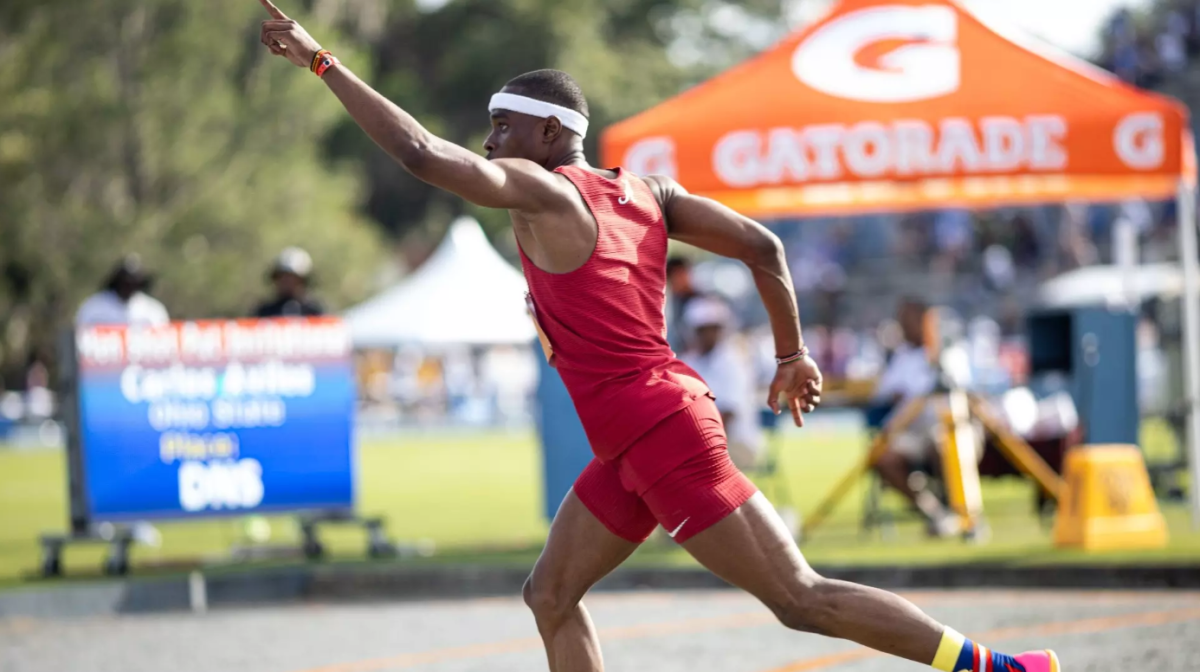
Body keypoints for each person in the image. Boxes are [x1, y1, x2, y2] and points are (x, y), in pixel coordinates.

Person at [255, 4, 1060, 671]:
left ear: (545, 135)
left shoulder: (543, 192)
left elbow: (422, 152)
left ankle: (996, 667)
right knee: (550, 594)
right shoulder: (648, 191)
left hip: (661, 431)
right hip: (630, 444)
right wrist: (791, 353)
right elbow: (763, 249)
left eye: (503, 127)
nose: (491, 142)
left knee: (799, 598)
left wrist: (322, 62)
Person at [869, 297, 961, 537]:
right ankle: (932, 511)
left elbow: (954, 391)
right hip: (909, 430)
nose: (903, 325)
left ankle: (958, 510)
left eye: (907, 319)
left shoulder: (949, 352)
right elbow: (885, 392)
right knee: (883, 458)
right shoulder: (902, 356)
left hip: (945, 427)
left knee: (944, 447)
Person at [677, 296, 764, 470]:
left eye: (714, 329)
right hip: (699, 438)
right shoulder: (687, 361)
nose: (709, 335)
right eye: (704, 329)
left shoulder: (734, 362)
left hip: (737, 441)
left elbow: (728, 414)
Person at [75, 254, 170, 327]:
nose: (128, 287)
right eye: (125, 283)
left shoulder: (152, 310)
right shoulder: (94, 307)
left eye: (134, 283)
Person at [252, 247, 325, 317]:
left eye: (291, 277)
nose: (286, 282)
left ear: (302, 280)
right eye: (281, 277)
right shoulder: (264, 312)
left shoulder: (316, 311)